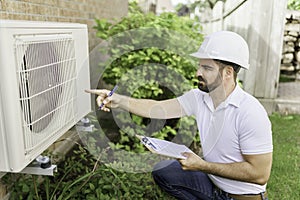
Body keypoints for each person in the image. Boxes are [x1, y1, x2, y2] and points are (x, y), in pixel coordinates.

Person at [85, 31, 272, 200]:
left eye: (206, 68)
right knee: (164, 172)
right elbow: (157, 107)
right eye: (200, 66)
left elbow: (259, 174)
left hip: (240, 197)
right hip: (214, 184)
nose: (198, 73)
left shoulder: (250, 112)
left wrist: (202, 165)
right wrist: (117, 100)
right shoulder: (199, 98)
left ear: (227, 73)